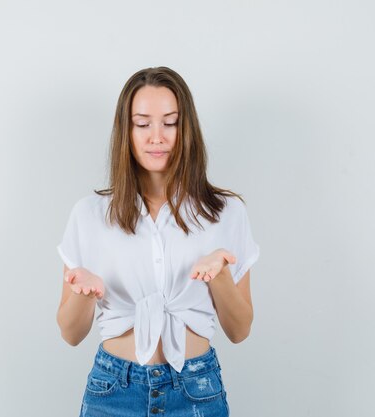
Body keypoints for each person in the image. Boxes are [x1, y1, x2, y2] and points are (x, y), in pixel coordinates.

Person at [56, 66, 260, 417]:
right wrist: (83, 291)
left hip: (196, 391)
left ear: (186, 128)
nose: (157, 136)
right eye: (142, 123)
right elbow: (71, 334)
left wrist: (220, 273)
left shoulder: (226, 212)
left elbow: (239, 330)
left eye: (170, 123)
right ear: (127, 130)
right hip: (113, 393)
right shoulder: (89, 215)